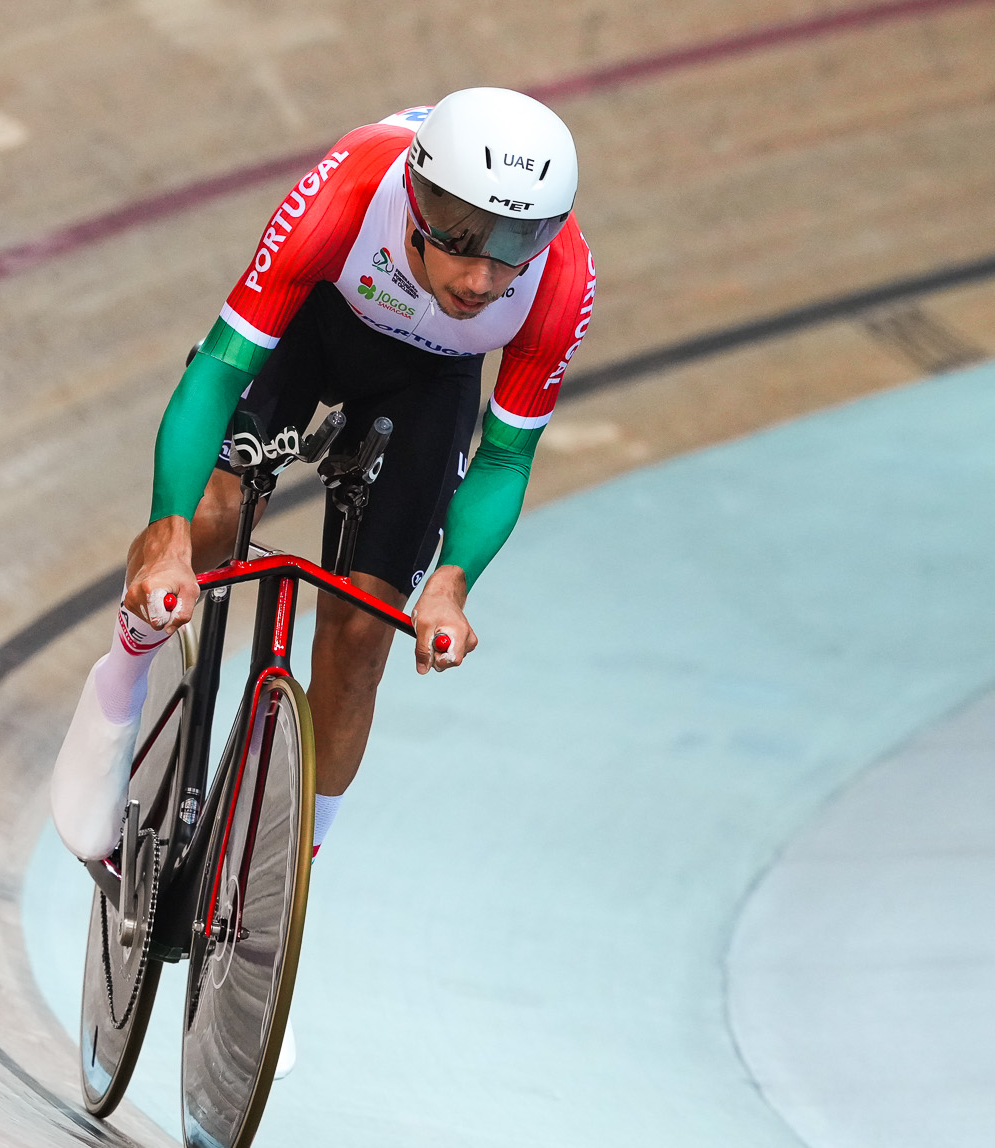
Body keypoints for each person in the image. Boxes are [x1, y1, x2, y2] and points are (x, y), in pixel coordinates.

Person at [51, 84, 595, 899]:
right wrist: (166, 533)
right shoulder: (348, 191)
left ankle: (273, 900)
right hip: (317, 321)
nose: (485, 276)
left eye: (517, 243)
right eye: (465, 238)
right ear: (418, 199)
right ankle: (121, 681)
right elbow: (221, 369)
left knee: (361, 639)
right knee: (209, 519)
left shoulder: (561, 279)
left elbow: (506, 458)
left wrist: (452, 583)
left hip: (428, 384)